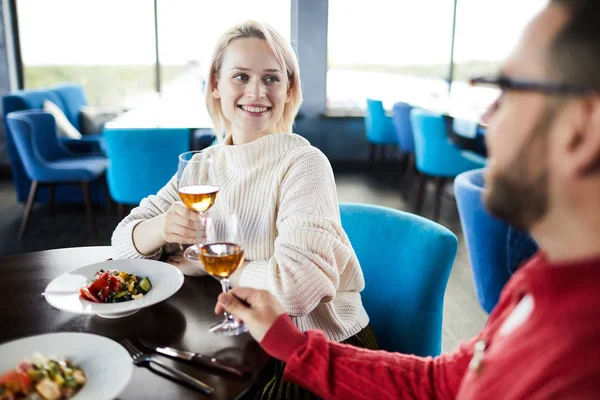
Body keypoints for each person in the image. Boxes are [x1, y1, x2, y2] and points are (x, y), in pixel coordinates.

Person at [214, 1, 600, 398]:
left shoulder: (578, 369)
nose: (488, 116)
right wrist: (293, 345)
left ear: (582, 128)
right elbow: (446, 383)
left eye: (507, 90)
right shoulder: (541, 282)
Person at [111, 20, 376, 398]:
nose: (257, 92)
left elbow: (294, 291)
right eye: (241, 76)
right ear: (215, 86)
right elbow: (122, 241)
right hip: (240, 338)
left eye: (271, 78)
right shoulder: (202, 165)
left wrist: (207, 262)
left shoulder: (304, 163)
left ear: (288, 91)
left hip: (313, 350)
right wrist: (162, 227)